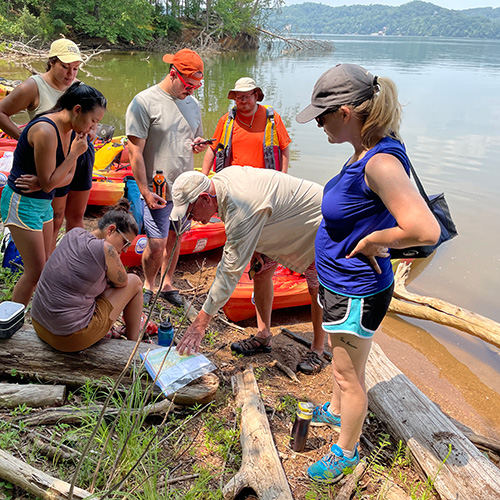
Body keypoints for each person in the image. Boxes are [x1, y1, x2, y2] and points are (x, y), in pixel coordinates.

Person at [295, 63, 440, 483]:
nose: (319, 124)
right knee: (348, 365)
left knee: (346, 372)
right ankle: (337, 411)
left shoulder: (379, 163)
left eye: (322, 117)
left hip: (356, 290)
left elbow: (425, 229)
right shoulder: (366, 150)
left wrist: (378, 241)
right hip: (343, 283)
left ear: (345, 112)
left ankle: (346, 450)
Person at [170, 167, 328, 374]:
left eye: (191, 212)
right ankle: (263, 335)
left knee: (315, 285)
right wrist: (254, 246)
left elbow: (228, 271)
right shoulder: (220, 185)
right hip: (273, 222)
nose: (191, 219)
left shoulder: (242, 206)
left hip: (315, 221)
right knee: (260, 272)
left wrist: (199, 324)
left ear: (205, 199)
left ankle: (318, 348)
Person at [0, 82, 107, 305]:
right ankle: (11, 322)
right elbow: (53, 183)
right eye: (93, 120)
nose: (93, 128)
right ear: (77, 109)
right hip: (22, 203)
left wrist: (45, 182)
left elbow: (65, 179)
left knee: (45, 265)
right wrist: (73, 156)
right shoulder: (46, 130)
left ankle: (40, 311)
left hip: (42, 203)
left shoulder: (71, 130)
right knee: (35, 272)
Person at [126, 48, 210, 308]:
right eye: (188, 85)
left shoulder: (192, 104)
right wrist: (144, 190)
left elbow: (194, 139)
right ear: (173, 74)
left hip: (183, 187)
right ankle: (149, 284)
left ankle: (167, 283)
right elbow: (135, 151)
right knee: (157, 241)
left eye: (196, 86)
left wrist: (198, 145)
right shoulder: (144, 102)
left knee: (175, 238)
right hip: (157, 188)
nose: (192, 91)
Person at [0, 39, 93, 248]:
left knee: (76, 214)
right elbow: (2, 112)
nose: (70, 74)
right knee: (56, 216)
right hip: (53, 157)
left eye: (75, 69)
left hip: (80, 152)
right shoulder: (34, 86)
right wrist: (23, 138)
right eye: (65, 67)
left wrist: (91, 129)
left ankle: (69, 263)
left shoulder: (78, 88)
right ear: (51, 62)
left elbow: (91, 119)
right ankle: (44, 264)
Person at [31, 200, 143, 352]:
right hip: (68, 338)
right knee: (135, 281)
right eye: (125, 243)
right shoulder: (106, 248)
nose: (124, 250)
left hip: (39, 324)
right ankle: (132, 347)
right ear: (111, 230)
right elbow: (123, 282)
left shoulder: (74, 233)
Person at [201, 77, 291, 175]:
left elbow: (284, 148)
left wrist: (284, 176)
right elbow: (212, 149)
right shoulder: (226, 120)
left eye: (247, 96)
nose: (243, 100)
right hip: (234, 179)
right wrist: (203, 178)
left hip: (265, 180)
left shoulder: (272, 118)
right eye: (239, 97)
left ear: (256, 96)